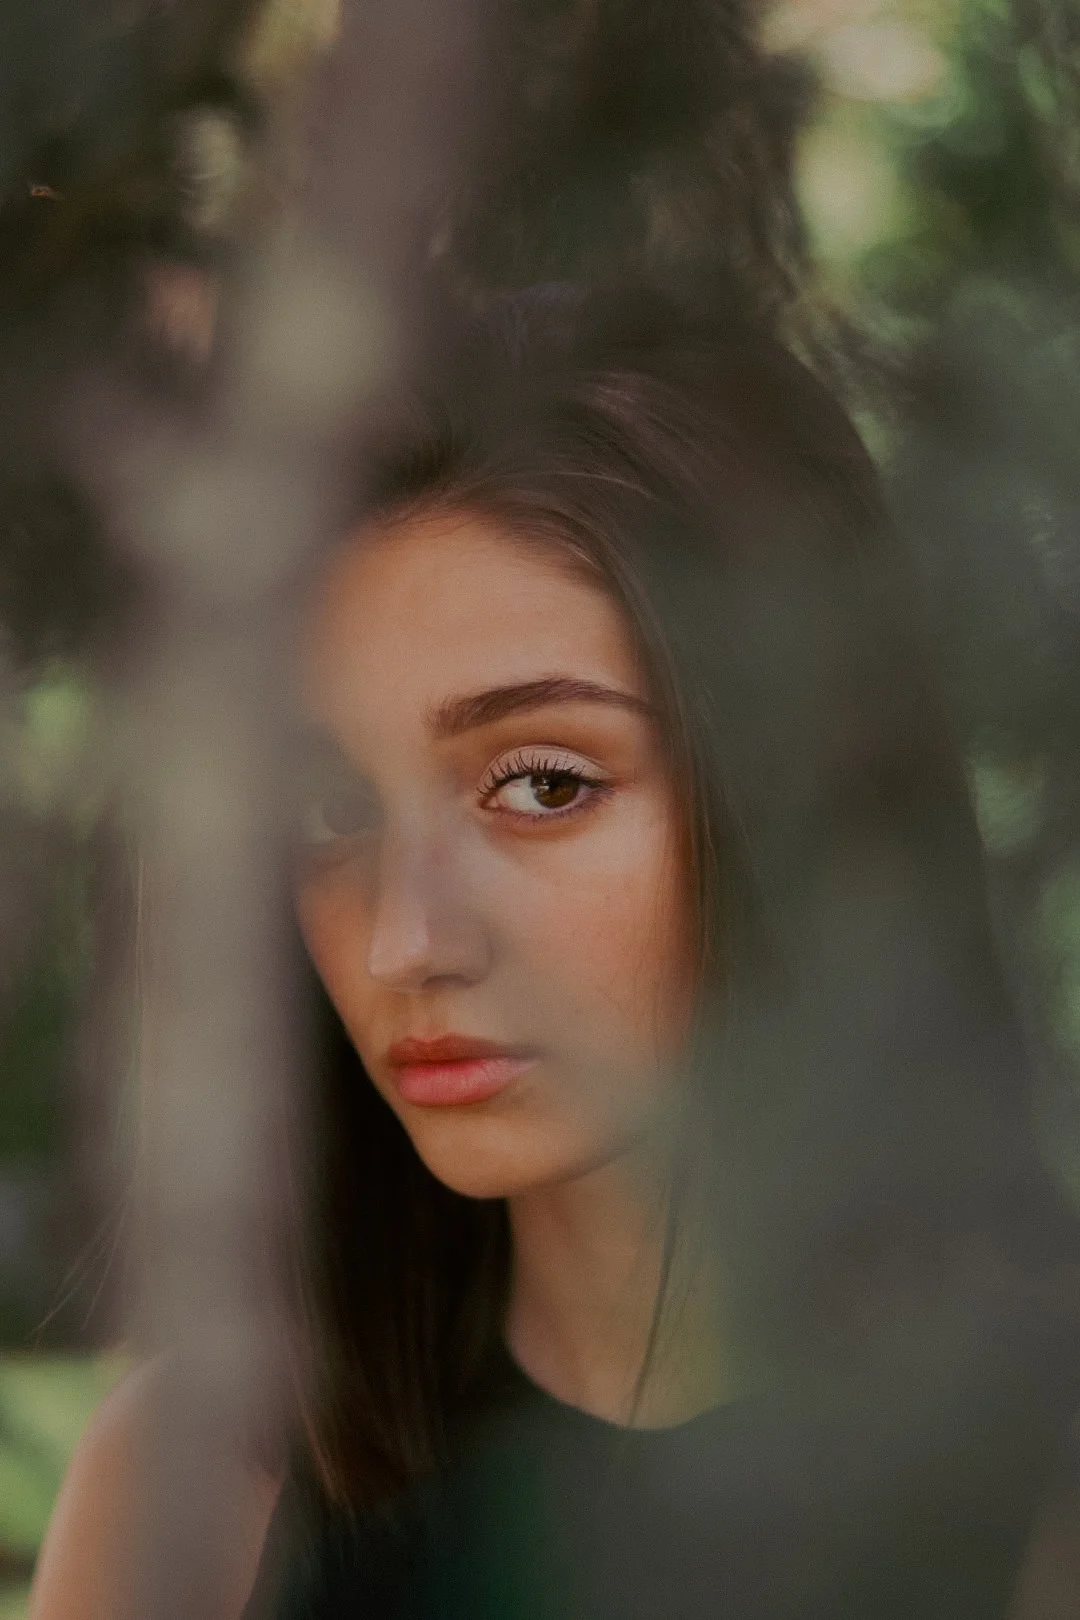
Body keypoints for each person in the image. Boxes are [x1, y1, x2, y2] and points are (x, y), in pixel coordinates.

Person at [31, 285, 1080, 1620]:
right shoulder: (188, 1491)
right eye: (331, 812)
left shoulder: (1042, 1469)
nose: (406, 940)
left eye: (541, 785)